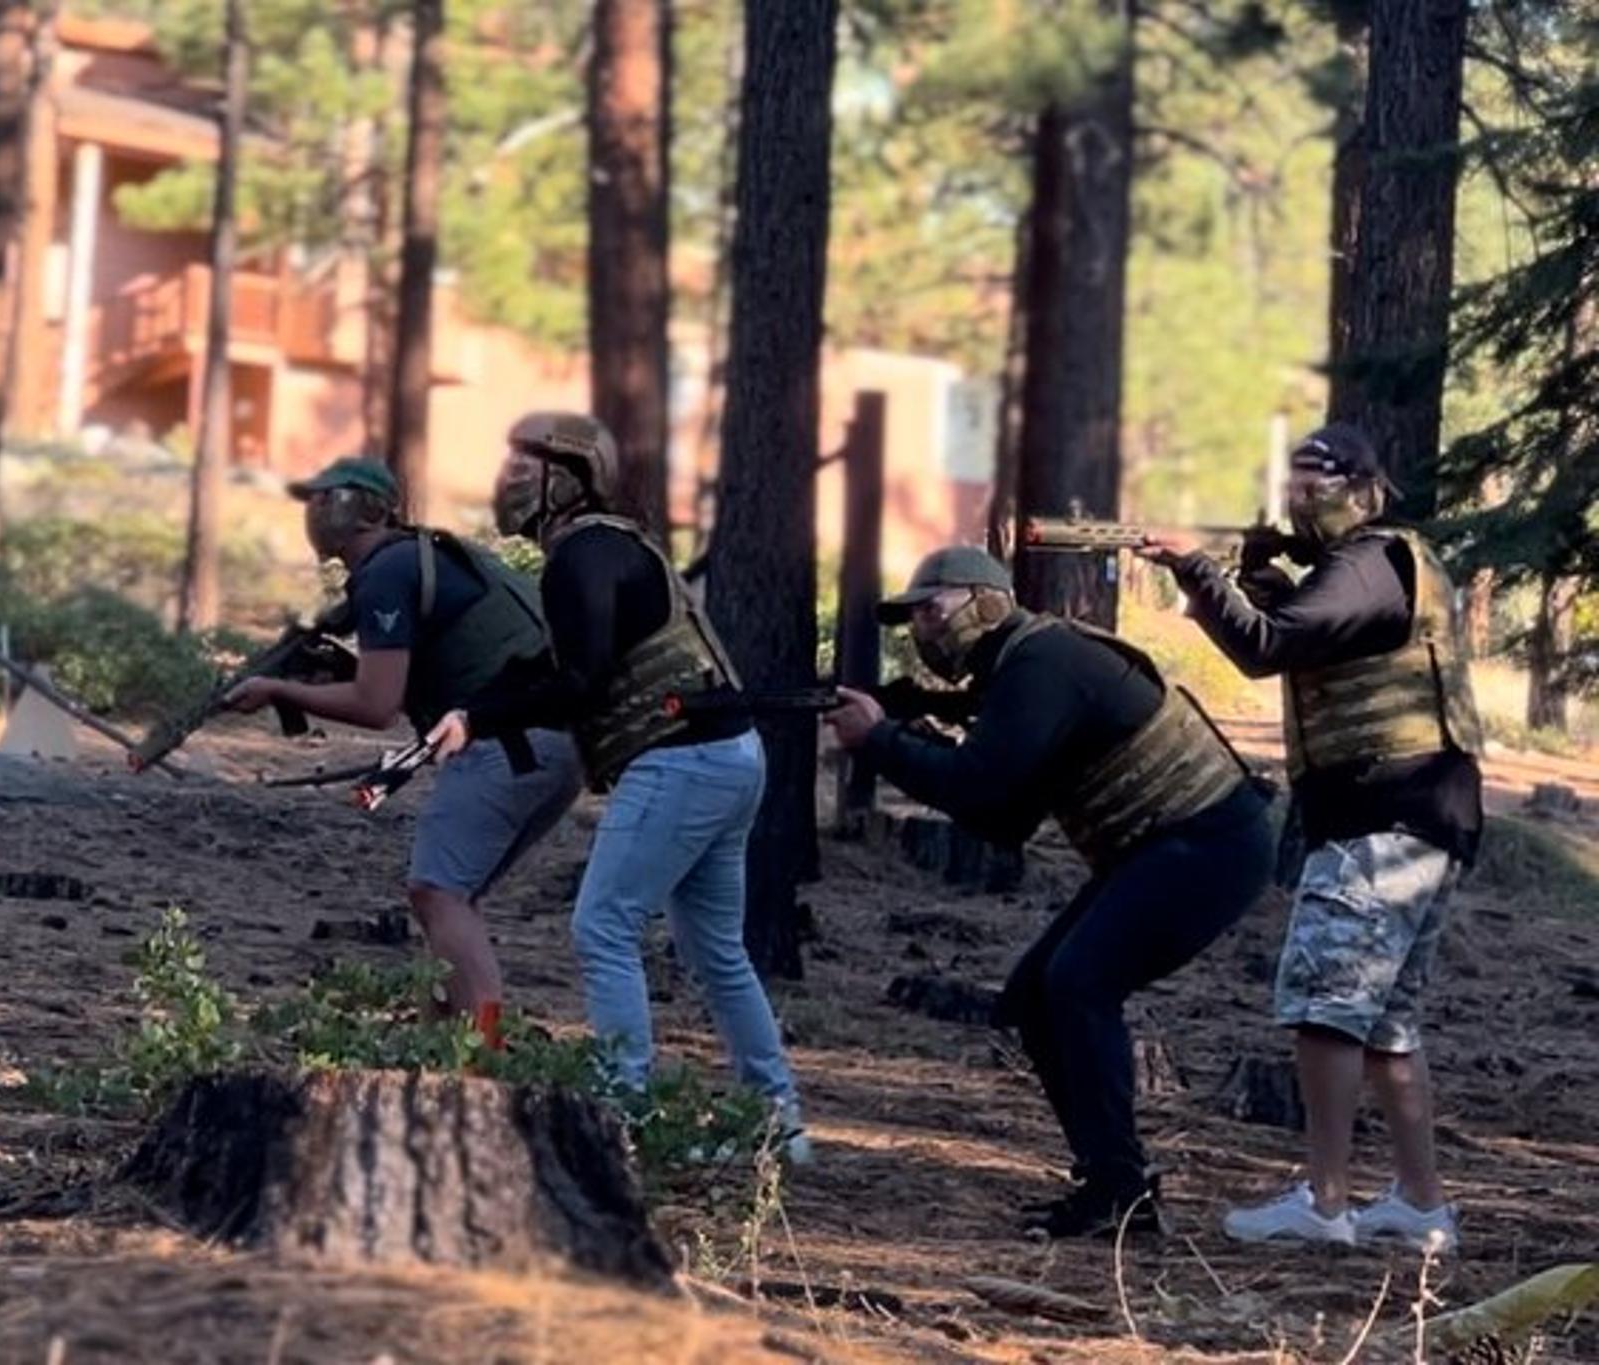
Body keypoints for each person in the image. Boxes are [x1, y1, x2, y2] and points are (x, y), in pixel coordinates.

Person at [823, 546, 1275, 1238]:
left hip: (1208, 843)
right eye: (912, 617)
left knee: (1078, 982)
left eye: (932, 608)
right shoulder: (1019, 669)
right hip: (1169, 847)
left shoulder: (1038, 664)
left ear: (986, 598)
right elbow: (1002, 819)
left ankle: (1120, 1189)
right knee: (1037, 995)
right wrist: (907, 733)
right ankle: (1110, 1182)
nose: (922, 629)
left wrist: (883, 741)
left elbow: (978, 787)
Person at [423, 412, 807, 1157]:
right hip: (730, 758)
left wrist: (480, 718)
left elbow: (580, 681)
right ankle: (780, 1121)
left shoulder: (584, 556)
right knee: (717, 951)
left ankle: (621, 1112)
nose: (507, 477)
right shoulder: (607, 549)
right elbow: (553, 665)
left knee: (601, 926)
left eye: (525, 463)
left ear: (567, 476)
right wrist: (474, 705)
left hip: (679, 761)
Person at [1140, 423, 1483, 1253]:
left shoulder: (1366, 563)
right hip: (1427, 814)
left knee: (1329, 1007)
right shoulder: (1386, 563)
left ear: (1363, 489)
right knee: (1388, 1024)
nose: (1299, 499)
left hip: (1385, 817)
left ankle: (1327, 1203)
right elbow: (1287, 628)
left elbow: (1267, 645)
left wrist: (1201, 570)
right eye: (1290, 483)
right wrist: (1249, 583)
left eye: (1315, 483)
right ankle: (1419, 1202)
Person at [222, 457, 583, 1047]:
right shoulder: (421, 556)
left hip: (506, 744)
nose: (313, 513)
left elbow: (376, 704)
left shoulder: (387, 572)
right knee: (451, 899)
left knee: (438, 894)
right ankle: (442, 1048)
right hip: (546, 743)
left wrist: (278, 690)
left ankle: (480, 1058)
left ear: (362, 507)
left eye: (324, 498)